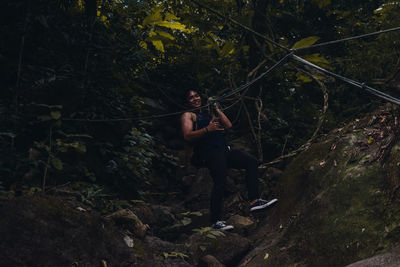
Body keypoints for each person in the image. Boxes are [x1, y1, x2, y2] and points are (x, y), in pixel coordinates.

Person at [181, 89, 277, 230]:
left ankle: (254, 200)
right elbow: (187, 135)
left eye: (196, 96)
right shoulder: (188, 115)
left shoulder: (208, 113)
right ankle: (215, 222)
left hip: (224, 149)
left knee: (251, 162)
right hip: (209, 152)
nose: (195, 99)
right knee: (220, 181)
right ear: (187, 102)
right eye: (191, 98)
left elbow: (228, 125)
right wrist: (208, 129)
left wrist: (216, 108)